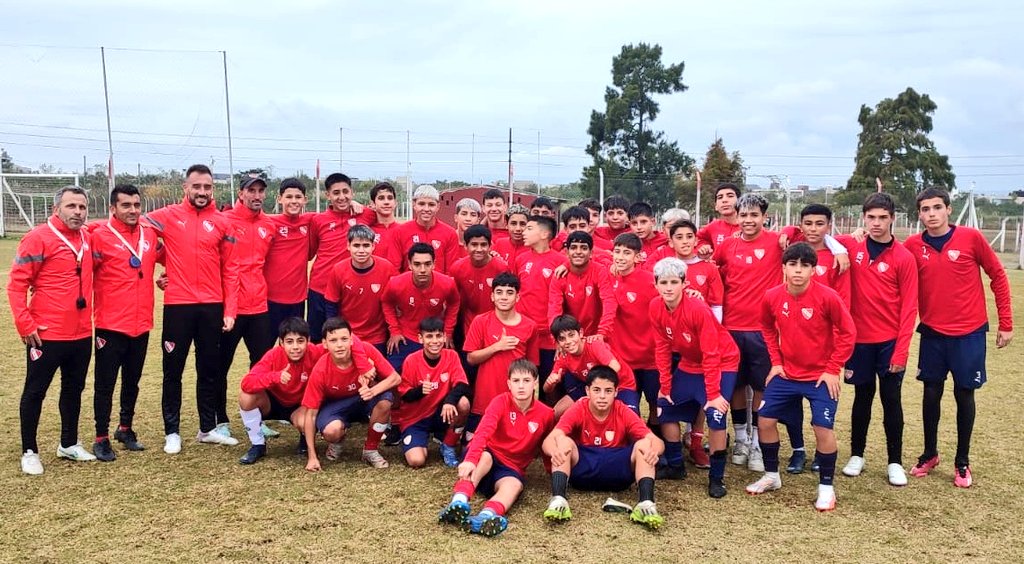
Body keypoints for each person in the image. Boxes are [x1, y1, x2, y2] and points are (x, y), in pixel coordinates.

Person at [903, 187, 1013, 488]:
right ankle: (929, 453)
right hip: (933, 333)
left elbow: (998, 275)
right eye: (925, 209)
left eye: (937, 207)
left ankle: (962, 461)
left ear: (949, 210)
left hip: (969, 334)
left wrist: (1006, 322)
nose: (931, 214)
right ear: (919, 214)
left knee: (964, 394)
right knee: (930, 393)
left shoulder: (971, 238)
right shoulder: (913, 245)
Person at [746, 243, 855, 512]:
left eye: (804, 266)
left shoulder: (827, 297)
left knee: (821, 427)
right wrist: (776, 362)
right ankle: (772, 476)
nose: (798, 271)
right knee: (765, 420)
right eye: (792, 265)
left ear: (813, 269)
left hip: (820, 376)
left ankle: (826, 488)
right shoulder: (772, 296)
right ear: (783, 267)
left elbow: (848, 332)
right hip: (786, 373)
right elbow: (766, 328)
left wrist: (833, 368)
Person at [144, 164, 240, 454]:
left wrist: (230, 309)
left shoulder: (223, 222)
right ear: (185, 188)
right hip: (178, 306)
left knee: (209, 369)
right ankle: (172, 431)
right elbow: (134, 223)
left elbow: (231, 269)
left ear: (213, 189)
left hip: (211, 306)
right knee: (172, 370)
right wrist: (165, 263)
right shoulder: (168, 216)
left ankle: (207, 428)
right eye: (196, 187)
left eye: (207, 187)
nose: (202, 192)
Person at [831, 193, 918, 485]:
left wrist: (901, 352)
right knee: (861, 397)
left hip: (890, 342)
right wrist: (843, 245)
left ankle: (895, 462)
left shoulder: (904, 257)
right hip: (859, 341)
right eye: (871, 218)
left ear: (893, 218)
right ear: (863, 218)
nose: (876, 223)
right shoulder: (852, 246)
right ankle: (857, 454)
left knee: (891, 399)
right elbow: (818, 235)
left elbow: (909, 309)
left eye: (882, 217)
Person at [9, 186, 97, 474]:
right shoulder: (38, 238)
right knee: (35, 391)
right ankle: (29, 450)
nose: (78, 212)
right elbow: (17, 284)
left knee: (74, 389)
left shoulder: (87, 237)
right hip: (46, 333)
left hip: (82, 332)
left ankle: (68, 443)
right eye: (71, 206)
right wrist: (25, 323)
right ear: (57, 208)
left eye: (82, 207)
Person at [648, 258, 739, 496]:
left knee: (716, 414)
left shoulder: (698, 309)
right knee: (664, 406)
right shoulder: (655, 306)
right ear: (656, 284)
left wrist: (713, 395)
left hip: (722, 361)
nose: (668, 287)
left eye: (674, 282)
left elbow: (711, 353)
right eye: (663, 282)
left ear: (684, 284)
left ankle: (716, 478)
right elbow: (662, 347)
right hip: (689, 363)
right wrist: (665, 386)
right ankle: (676, 466)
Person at [438, 359, 555, 537]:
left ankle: (485, 517)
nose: (521, 386)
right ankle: (459, 501)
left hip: (511, 468)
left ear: (535, 383)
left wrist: (552, 473)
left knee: (514, 485)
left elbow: (547, 445)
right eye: (516, 381)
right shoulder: (500, 402)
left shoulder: (546, 414)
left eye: (526, 380)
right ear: (509, 383)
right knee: (485, 457)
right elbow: (483, 433)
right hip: (488, 458)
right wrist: (470, 460)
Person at [88, 184, 162, 461]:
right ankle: (100, 437)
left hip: (141, 323)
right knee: (105, 383)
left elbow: (170, 258)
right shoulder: (99, 236)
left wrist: (165, 276)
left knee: (133, 381)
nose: (132, 210)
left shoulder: (150, 235)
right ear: (112, 208)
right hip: (110, 324)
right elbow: (81, 271)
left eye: (136, 205)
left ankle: (125, 428)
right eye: (126, 205)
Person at [541, 365, 665, 529]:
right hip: (584, 471)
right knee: (562, 442)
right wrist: (554, 452)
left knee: (644, 445)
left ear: (616, 392)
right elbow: (549, 440)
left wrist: (653, 452)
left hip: (617, 472)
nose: (602, 396)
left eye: (608, 391)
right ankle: (558, 500)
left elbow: (656, 441)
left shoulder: (622, 410)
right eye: (597, 390)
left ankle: (646, 503)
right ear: (587, 391)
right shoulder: (579, 407)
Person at [237, 317, 363, 465]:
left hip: (301, 405)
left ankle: (305, 439)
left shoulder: (315, 352)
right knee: (246, 397)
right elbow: (247, 383)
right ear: (281, 343)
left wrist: (364, 366)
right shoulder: (273, 355)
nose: (295, 347)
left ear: (308, 340)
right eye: (290, 342)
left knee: (306, 419)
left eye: (300, 341)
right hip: (274, 403)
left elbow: (351, 338)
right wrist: (275, 376)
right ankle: (258, 445)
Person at [219, 175, 278, 436]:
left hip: (259, 305)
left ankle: (256, 420)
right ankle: (219, 421)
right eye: (251, 190)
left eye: (260, 191)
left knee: (261, 365)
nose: (256, 195)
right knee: (220, 365)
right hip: (229, 306)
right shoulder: (225, 221)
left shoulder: (269, 224)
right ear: (241, 193)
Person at [302, 317, 400, 471]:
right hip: (336, 406)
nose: (340, 345)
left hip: (363, 399)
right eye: (333, 340)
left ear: (352, 340)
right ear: (325, 344)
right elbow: (310, 415)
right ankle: (337, 440)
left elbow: (395, 378)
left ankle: (370, 449)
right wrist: (312, 457)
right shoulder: (321, 369)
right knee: (331, 431)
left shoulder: (366, 350)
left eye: (344, 339)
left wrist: (372, 391)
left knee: (385, 401)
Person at [463, 272, 539, 435]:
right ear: (492, 296)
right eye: (499, 292)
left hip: (516, 399)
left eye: (509, 292)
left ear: (517, 297)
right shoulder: (481, 321)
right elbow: (470, 358)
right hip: (485, 397)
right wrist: (497, 346)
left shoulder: (530, 326)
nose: (504, 297)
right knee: (469, 448)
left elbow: (533, 366)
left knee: (511, 444)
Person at [394, 318, 471, 468]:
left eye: (438, 336)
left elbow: (463, 385)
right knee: (416, 461)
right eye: (429, 336)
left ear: (444, 337)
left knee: (463, 403)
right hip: (415, 418)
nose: (434, 341)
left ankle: (448, 445)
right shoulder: (411, 360)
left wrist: (449, 401)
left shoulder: (452, 356)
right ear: (420, 338)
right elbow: (404, 396)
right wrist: (420, 391)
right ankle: (416, 440)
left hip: (441, 413)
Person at [307, 172, 375, 342]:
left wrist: (357, 205)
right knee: (318, 339)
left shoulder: (366, 215)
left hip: (349, 291)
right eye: (336, 193)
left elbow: (383, 212)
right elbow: (312, 251)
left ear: (352, 192)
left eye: (346, 192)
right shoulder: (318, 220)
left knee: (345, 339)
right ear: (327, 195)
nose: (342, 197)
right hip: (320, 289)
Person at [608, 233, 662, 433]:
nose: (620, 257)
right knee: (628, 403)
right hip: (622, 358)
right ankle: (634, 440)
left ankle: (658, 434)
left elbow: (673, 295)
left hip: (650, 356)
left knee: (656, 401)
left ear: (638, 257)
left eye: (627, 253)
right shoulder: (608, 276)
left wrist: (692, 292)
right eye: (617, 251)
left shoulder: (650, 281)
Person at [514, 215, 569, 402]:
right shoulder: (520, 259)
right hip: (524, 335)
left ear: (545, 234)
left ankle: (550, 427)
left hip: (548, 337)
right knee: (522, 383)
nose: (523, 231)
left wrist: (560, 336)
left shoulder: (560, 262)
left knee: (551, 387)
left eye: (529, 228)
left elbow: (563, 301)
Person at [381, 242, 460, 374]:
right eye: (417, 264)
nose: (422, 269)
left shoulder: (447, 283)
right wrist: (394, 331)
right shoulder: (395, 283)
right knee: (390, 375)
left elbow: (455, 302)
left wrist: (448, 332)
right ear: (410, 264)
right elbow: (386, 302)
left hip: (434, 337)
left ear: (434, 264)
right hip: (406, 337)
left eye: (427, 264)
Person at [546, 315, 639, 417]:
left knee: (630, 420)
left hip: (621, 385)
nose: (568, 341)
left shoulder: (593, 344)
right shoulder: (564, 356)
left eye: (571, 335)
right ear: (558, 342)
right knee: (556, 413)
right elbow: (546, 389)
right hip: (591, 388)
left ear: (580, 333)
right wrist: (550, 382)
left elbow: (615, 367)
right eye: (562, 338)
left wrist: (595, 392)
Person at [323, 225, 398, 352]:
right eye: (356, 245)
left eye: (366, 245)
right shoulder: (338, 270)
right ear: (348, 246)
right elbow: (331, 306)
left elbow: (396, 302)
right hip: (348, 336)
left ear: (373, 246)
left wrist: (394, 331)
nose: (361, 250)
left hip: (377, 337)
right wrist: (335, 334)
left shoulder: (387, 268)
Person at [448, 224, 509, 356]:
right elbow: (453, 301)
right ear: (465, 246)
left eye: (483, 245)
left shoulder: (501, 268)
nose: (479, 249)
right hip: (468, 327)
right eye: (474, 244)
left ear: (490, 245)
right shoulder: (457, 268)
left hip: (495, 324)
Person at [264, 177, 313, 340]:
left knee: (294, 349)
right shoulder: (268, 222)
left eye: (298, 197)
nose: (294, 201)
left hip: (297, 301)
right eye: (289, 197)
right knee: (264, 351)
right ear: (280, 199)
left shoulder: (309, 221)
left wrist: (355, 205)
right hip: (270, 300)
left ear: (305, 200)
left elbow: (333, 214)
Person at [547, 231, 617, 341]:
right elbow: (554, 308)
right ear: (567, 252)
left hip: (596, 336)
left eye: (584, 248)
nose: (578, 252)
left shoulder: (600, 271)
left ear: (591, 253)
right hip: (569, 337)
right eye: (574, 248)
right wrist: (557, 337)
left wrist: (602, 333)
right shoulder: (560, 275)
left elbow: (609, 302)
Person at [384, 185, 461, 274]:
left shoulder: (450, 234)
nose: (426, 209)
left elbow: (451, 272)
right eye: (421, 204)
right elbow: (394, 269)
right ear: (414, 204)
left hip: (439, 287)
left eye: (431, 205)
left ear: (438, 206)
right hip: (408, 286)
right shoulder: (399, 232)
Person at [696, 183, 741, 257]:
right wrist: (703, 246)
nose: (724, 200)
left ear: (740, 202)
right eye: (720, 197)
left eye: (730, 196)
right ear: (716, 206)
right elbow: (697, 239)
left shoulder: (749, 228)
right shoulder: (713, 226)